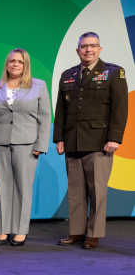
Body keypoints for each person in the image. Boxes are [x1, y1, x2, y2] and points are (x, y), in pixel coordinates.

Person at [54, 32, 128, 249]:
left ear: (100, 49)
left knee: (97, 191)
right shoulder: (68, 75)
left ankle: (93, 234)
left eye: (93, 46)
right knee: (75, 191)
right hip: (72, 141)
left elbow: (120, 108)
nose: (88, 50)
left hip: (99, 142)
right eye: (84, 46)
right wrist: (59, 138)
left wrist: (114, 138)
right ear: (77, 50)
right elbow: (61, 110)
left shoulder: (114, 72)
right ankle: (76, 232)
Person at [0, 48, 51, 247]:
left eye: (20, 62)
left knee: (23, 188)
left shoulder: (38, 86)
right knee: (1, 189)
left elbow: (45, 117)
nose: (15, 64)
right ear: (6, 64)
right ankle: (3, 230)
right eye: (12, 61)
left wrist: (41, 144)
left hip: (28, 143)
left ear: (26, 65)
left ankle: (21, 231)